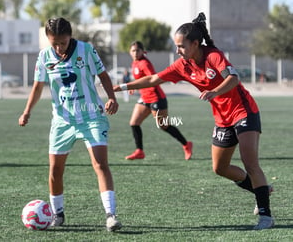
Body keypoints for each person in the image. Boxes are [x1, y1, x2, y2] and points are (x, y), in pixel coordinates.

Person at [113, 13, 274, 230]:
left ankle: (265, 215)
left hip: (244, 112)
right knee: (220, 168)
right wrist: (121, 87)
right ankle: (260, 189)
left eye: (181, 46)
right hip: (222, 119)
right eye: (176, 46)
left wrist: (213, 91)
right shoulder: (182, 65)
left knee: (250, 162)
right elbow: (153, 79)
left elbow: (233, 78)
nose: (177, 50)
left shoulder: (213, 56)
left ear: (195, 44)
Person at [18, 17, 122, 232]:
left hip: (92, 116)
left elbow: (103, 76)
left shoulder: (86, 50)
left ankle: (111, 215)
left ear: (70, 37)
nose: (58, 47)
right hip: (62, 121)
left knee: (100, 164)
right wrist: (27, 111)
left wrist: (111, 97)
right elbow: (38, 87)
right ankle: (58, 214)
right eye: (53, 43)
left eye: (62, 43)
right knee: (55, 169)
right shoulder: (44, 56)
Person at [124, 41, 193, 160]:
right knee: (134, 123)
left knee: (164, 126)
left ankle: (186, 145)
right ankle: (139, 151)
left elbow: (153, 79)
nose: (135, 53)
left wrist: (134, 86)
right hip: (145, 98)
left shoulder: (144, 63)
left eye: (137, 50)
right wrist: (134, 86)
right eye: (133, 51)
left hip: (156, 98)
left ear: (142, 51)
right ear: (130, 52)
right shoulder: (134, 63)